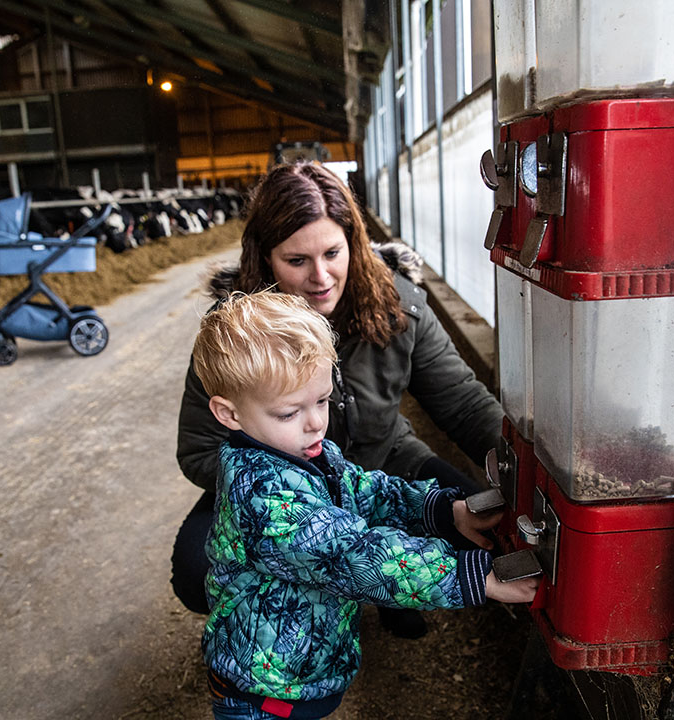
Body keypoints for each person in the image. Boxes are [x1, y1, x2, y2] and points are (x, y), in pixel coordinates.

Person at [174, 161, 506, 638]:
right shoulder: (239, 336)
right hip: (278, 481)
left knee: (473, 517)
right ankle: (303, 605)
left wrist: (527, 464)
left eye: (333, 252)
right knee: (195, 569)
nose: (321, 276)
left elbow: (463, 403)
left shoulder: (399, 307)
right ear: (265, 258)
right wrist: (288, 494)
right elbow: (199, 449)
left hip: (388, 459)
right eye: (297, 261)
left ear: (354, 241)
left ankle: (383, 586)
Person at [192, 291, 538, 720]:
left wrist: (442, 510)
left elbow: (365, 491)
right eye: (289, 413)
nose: (317, 421)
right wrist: (471, 574)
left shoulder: (303, 452)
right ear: (229, 414)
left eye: (321, 400)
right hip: (262, 697)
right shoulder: (264, 494)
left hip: (297, 676)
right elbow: (350, 554)